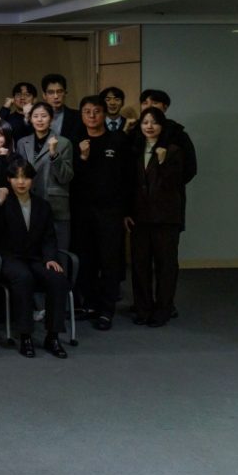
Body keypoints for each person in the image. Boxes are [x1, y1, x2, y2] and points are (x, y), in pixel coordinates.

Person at [0, 158, 70, 358]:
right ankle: (26, 336)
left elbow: (49, 237)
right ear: (9, 180)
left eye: (25, 177)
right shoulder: (2, 201)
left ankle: (53, 336)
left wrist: (51, 258)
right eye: (16, 178)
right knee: (23, 278)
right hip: (10, 258)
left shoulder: (42, 205)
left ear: (32, 180)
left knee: (57, 278)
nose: (21, 182)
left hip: (36, 257)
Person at [73, 95, 135, 329]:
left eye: (97, 111)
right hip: (83, 211)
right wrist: (82, 157)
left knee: (109, 261)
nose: (92, 116)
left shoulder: (118, 140)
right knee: (86, 260)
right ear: (81, 115)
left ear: (104, 114)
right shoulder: (76, 141)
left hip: (110, 211)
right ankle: (89, 304)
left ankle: (107, 310)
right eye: (87, 111)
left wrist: (127, 211)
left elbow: (128, 178)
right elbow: (70, 177)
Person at [127, 107, 184, 327]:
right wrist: (126, 212)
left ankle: (163, 309)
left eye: (154, 122)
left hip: (165, 218)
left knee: (165, 266)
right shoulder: (134, 149)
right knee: (140, 266)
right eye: (145, 122)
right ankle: (143, 309)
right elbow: (127, 184)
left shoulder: (173, 150)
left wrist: (163, 162)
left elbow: (175, 184)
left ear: (162, 126)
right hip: (139, 217)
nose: (149, 126)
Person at [15, 102, 74, 249]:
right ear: (30, 119)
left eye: (44, 116)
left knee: (58, 252)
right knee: (33, 252)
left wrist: (54, 154)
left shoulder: (63, 143)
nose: (40, 120)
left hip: (55, 205)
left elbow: (65, 177)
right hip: (28, 203)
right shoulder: (22, 143)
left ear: (51, 119)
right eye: (35, 116)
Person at [139, 88, 198, 234]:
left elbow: (190, 168)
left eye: (155, 102)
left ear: (165, 107)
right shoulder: (135, 134)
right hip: (139, 206)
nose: (149, 106)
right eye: (145, 102)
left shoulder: (178, 135)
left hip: (167, 205)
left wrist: (169, 186)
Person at [41, 73, 86, 145]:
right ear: (44, 95)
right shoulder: (37, 117)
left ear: (65, 93)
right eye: (51, 92)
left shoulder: (78, 117)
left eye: (59, 92)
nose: (56, 96)